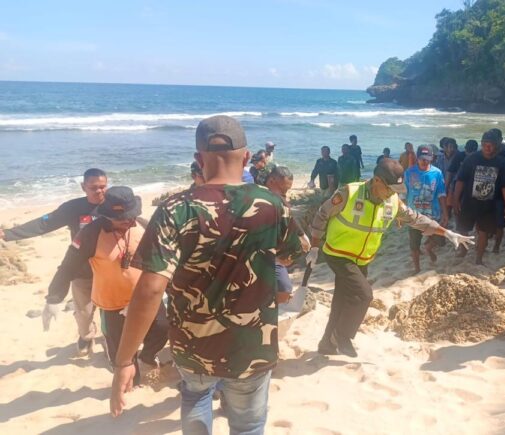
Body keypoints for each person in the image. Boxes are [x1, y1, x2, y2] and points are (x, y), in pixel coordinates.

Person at [110, 115, 303, 434]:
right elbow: (290, 254)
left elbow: (150, 289)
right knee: (248, 424)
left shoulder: (174, 209)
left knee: (196, 397)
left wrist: (124, 362)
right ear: (245, 157)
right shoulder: (272, 204)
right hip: (251, 347)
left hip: (192, 347)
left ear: (199, 160)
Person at [307, 159, 473, 357]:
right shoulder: (348, 193)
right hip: (338, 253)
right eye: (390, 188)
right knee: (364, 295)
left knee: (342, 300)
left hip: (362, 258)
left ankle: (327, 344)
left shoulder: (392, 201)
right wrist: (314, 247)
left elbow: (417, 219)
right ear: (377, 180)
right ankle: (342, 336)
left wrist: (446, 233)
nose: (393, 193)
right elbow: (321, 216)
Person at [46, 186, 168, 384]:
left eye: (131, 216)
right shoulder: (89, 234)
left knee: (163, 328)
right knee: (120, 353)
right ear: (107, 215)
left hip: (143, 297)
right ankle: (130, 378)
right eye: (121, 218)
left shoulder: (144, 226)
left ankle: (147, 355)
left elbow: (161, 261)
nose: (128, 221)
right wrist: (54, 297)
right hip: (112, 302)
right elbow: (68, 266)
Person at [0, 168, 107, 356]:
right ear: (83, 187)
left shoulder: (114, 205)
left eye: (103, 187)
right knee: (83, 314)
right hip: (82, 272)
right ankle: (86, 336)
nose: (99, 191)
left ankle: (111, 341)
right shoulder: (72, 208)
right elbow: (44, 224)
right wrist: (7, 234)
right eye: (93, 188)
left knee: (112, 312)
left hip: (109, 271)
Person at [453, 130, 505, 265]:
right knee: (463, 229)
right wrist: (456, 199)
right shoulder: (472, 159)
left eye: (491, 144)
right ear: (481, 144)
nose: (488, 147)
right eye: (485, 144)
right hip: (469, 202)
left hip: (488, 204)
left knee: (484, 232)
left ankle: (479, 259)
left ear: (497, 145)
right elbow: (460, 180)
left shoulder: (501, 162)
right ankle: (463, 250)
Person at [266, 166, 311, 304]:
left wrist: (302, 234)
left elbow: (288, 217)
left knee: (284, 289)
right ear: (272, 180)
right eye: (283, 189)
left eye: (287, 190)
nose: (285, 194)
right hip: (253, 253)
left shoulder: (280, 201)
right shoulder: (256, 197)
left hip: (275, 253)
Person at [404, 145, 448, 273]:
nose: (425, 161)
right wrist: (401, 214)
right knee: (414, 244)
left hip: (433, 214)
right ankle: (417, 268)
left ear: (432, 158)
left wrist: (445, 213)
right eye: (422, 158)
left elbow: (441, 194)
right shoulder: (409, 173)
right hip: (414, 216)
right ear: (417, 158)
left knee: (441, 241)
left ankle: (429, 247)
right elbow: (403, 194)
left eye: (428, 159)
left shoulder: (437, 173)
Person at [446, 139, 478, 218]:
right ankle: (450, 216)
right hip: (457, 183)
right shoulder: (459, 156)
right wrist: (446, 186)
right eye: (468, 152)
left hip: (472, 185)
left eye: (471, 153)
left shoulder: (478, 157)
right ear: (465, 149)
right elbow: (450, 172)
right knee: (453, 203)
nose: (469, 155)